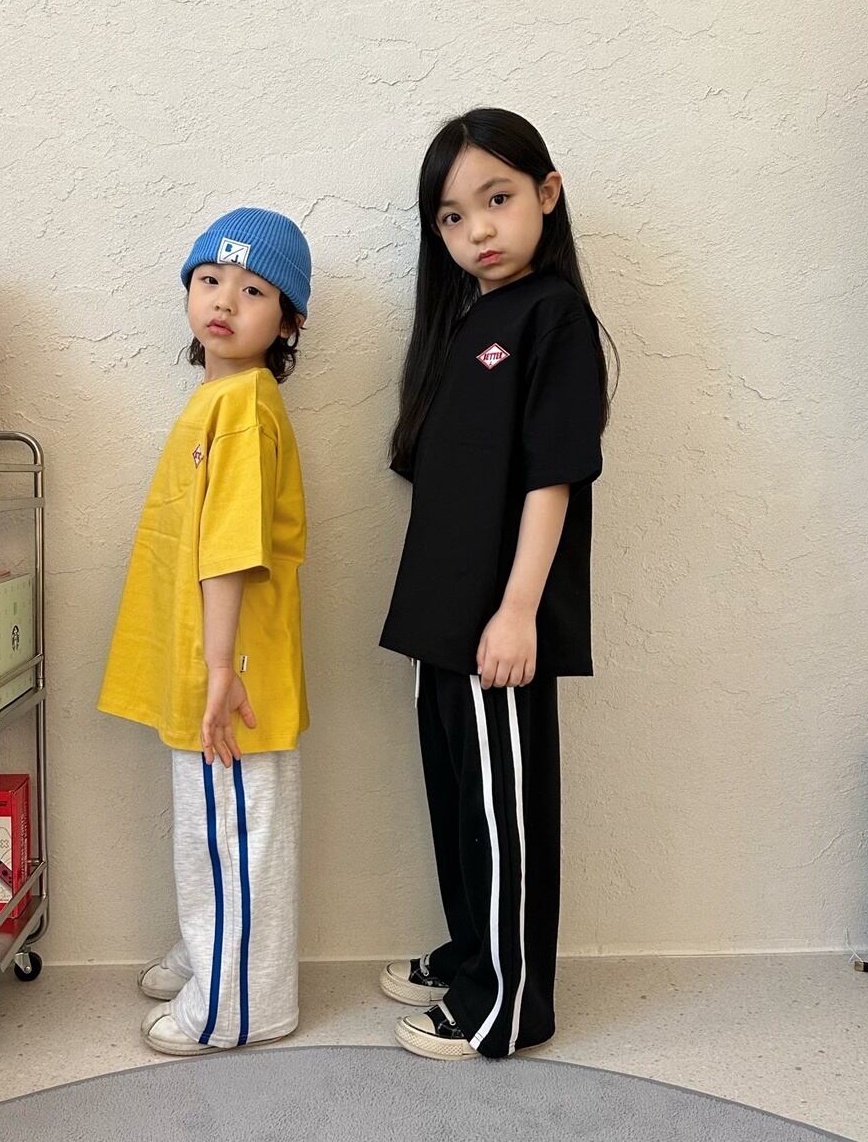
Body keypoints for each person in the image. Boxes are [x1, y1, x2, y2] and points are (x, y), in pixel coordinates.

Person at [379, 108, 616, 1060]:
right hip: (442, 619)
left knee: (502, 814)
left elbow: (553, 477)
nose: (477, 229)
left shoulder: (554, 316)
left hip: (498, 625)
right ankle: (475, 954)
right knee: (458, 803)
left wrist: (518, 612)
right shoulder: (466, 322)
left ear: (547, 195)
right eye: (452, 215)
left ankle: (507, 1005)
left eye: (498, 198)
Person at [98, 207, 311, 1055]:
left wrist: (221, 668)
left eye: (254, 290)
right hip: (207, 661)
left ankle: (240, 1007)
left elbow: (230, 549)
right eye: (210, 279)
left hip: (233, 672)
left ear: (288, 322)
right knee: (209, 827)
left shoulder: (246, 408)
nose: (224, 300)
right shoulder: (219, 399)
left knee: (233, 835)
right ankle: (208, 951)